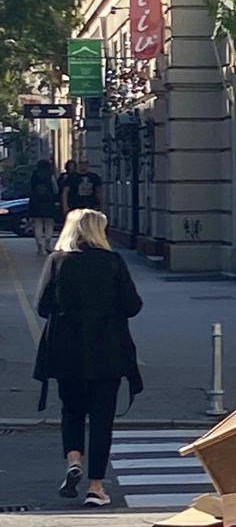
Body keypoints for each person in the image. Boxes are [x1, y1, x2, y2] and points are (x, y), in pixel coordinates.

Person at [33, 208, 143, 506]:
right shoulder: (112, 262)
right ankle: (96, 487)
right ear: (98, 231)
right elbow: (133, 305)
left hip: (66, 352)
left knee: (71, 410)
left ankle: (73, 460)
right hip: (107, 351)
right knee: (101, 419)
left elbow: (42, 307)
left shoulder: (56, 261)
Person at [27, 159, 59, 255]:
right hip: (48, 203)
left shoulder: (34, 175)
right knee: (49, 224)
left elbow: (30, 189)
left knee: (38, 225)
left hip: (36, 203)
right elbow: (56, 189)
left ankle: (40, 245)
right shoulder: (50, 175)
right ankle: (48, 244)